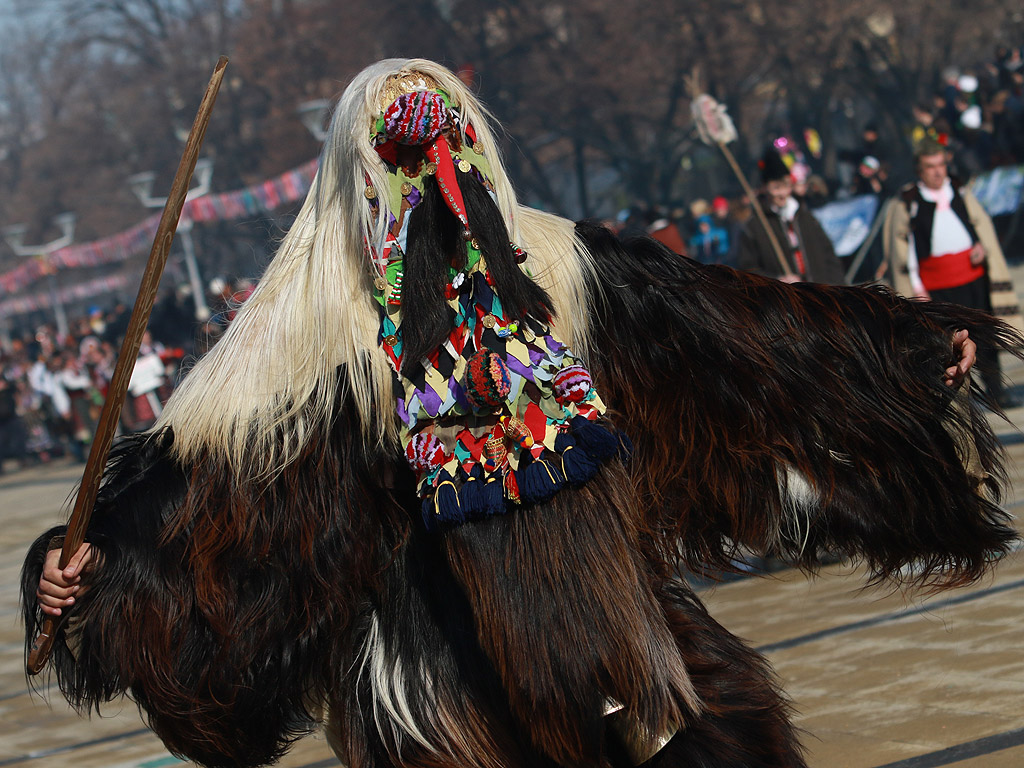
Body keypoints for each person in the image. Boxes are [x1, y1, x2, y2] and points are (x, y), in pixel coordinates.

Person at [28, 59, 1020, 768]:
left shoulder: (566, 269)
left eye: (439, 145)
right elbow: (188, 510)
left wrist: (902, 345)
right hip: (430, 692)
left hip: (620, 649)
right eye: (400, 151)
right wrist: (87, 568)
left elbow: (743, 339)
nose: (425, 173)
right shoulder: (289, 350)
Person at [881, 139, 1024, 407]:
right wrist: (915, 287)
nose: (938, 172)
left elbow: (980, 228)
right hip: (937, 286)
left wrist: (981, 247)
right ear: (919, 169)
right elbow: (903, 251)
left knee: (984, 338)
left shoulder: (960, 192)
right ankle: (959, 398)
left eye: (941, 165)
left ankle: (996, 392)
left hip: (972, 278)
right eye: (930, 167)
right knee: (948, 344)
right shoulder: (908, 202)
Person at [738, 147, 846, 284]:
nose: (783, 193)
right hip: (785, 301)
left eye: (786, 186)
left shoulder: (807, 218)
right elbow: (748, 270)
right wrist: (776, 282)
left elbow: (830, 257)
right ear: (765, 188)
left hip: (821, 296)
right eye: (776, 188)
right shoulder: (755, 227)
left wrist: (838, 290)